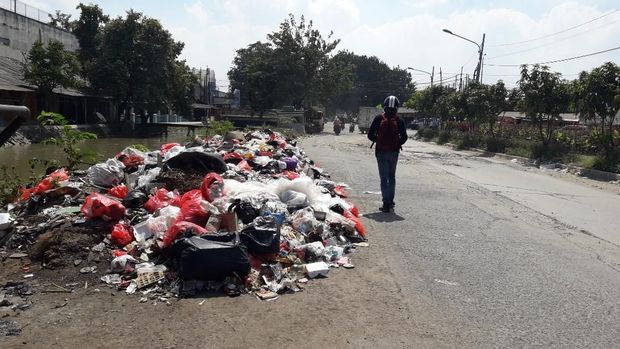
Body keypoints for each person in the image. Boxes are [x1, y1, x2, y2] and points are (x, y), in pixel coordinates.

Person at [367, 95, 408, 212]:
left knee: (384, 178)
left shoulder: (378, 118)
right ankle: (391, 201)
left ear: (384, 106)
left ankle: (385, 203)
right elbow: (405, 137)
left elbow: (370, 135)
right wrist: (396, 143)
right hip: (394, 153)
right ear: (397, 107)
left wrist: (378, 140)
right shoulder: (399, 121)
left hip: (380, 152)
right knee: (392, 177)